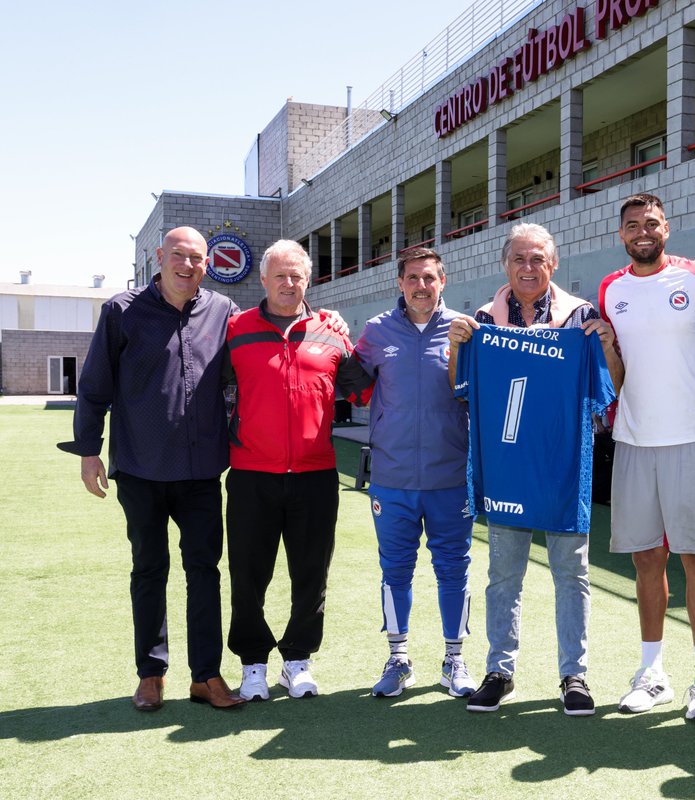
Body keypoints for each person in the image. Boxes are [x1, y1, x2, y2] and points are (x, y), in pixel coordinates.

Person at [59, 226, 245, 710]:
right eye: (178, 255)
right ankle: (151, 673)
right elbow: (94, 385)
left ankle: (206, 676)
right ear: (158, 257)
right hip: (141, 468)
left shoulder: (223, 312)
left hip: (202, 470)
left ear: (209, 264)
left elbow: (257, 349)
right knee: (149, 569)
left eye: (198, 258)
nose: (188, 265)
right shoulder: (121, 311)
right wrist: (88, 451)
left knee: (204, 570)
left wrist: (318, 320)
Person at [447, 223, 621, 716]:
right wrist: (460, 345)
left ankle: (575, 675)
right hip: (508, 469)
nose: (529, 268)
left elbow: (609, 388)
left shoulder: (581, 316)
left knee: (573, 573)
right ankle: (499, 671)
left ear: (554, 264)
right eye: (520, 259)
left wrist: (605, 343)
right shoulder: (483, 319)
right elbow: (460, 388)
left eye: (538, 259)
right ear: (505, 264)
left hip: (563, 464)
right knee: (504, 576)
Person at [598, 194, 695, 721]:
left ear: (666, 228)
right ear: (622, 235)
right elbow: (616, 369)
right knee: (646, 559)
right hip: (632, 441)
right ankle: (652, 674)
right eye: (632, 226)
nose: (642, 232)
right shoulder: (612, 288)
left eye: (651, 223)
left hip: (693, 438)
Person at [225, 239, 371, 700]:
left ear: (309, 280)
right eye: (281, 276)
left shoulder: (330, 331)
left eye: (298, 276)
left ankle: (297, 661)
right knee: (249, 574)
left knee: (311, 573)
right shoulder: (236, 330)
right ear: (264, 280)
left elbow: (363, 390)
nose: (289, 284)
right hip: (251, 474)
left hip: (315, 475)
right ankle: (252, 666)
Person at [353, 247, 477, 700]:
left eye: (429, 277)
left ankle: (454, 659)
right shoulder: (376, 331)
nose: (421, 286)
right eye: (412, 278)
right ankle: (398, 658)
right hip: (393, 478)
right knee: (395, 570)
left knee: (453, 570)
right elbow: (347, 378)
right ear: (400, 283)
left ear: (443, 281)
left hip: (450, 478)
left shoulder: (466, 330)